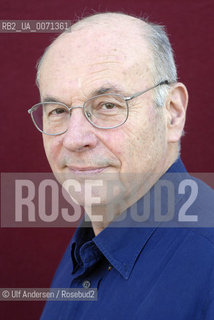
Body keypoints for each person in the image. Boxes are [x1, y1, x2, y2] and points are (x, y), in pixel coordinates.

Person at [28, 12, 214, 320]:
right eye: (58, 110)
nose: (75, 139)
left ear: (172, 112)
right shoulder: (92, 243)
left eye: (108, 105)